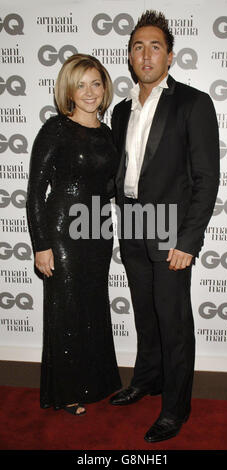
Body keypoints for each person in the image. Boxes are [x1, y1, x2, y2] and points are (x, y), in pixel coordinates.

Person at [109, 11, 219, 442]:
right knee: (146, 316)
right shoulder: (120, 111)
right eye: (138, 46)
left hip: (172, 231)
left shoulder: (193, 103)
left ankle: (176, 407)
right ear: (130, 57)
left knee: (174, 323)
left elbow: (205, 179)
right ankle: (147, 379)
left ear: (170, 56)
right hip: (132, 223)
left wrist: (188, 240)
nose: (146, 53)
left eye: (155, 46)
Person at [26, 54, 121, 416]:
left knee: (93, 307)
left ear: (104, 87)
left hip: (98, 231)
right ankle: (65, 392)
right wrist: (41, 245)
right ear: (68, 89)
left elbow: (109, 186)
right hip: (62, 233)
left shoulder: (108, 134)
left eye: (95, 83)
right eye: (80, 84)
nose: (89, 92)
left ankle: (95, 384)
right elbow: (36, 191)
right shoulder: (56, 129)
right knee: (66, 309)